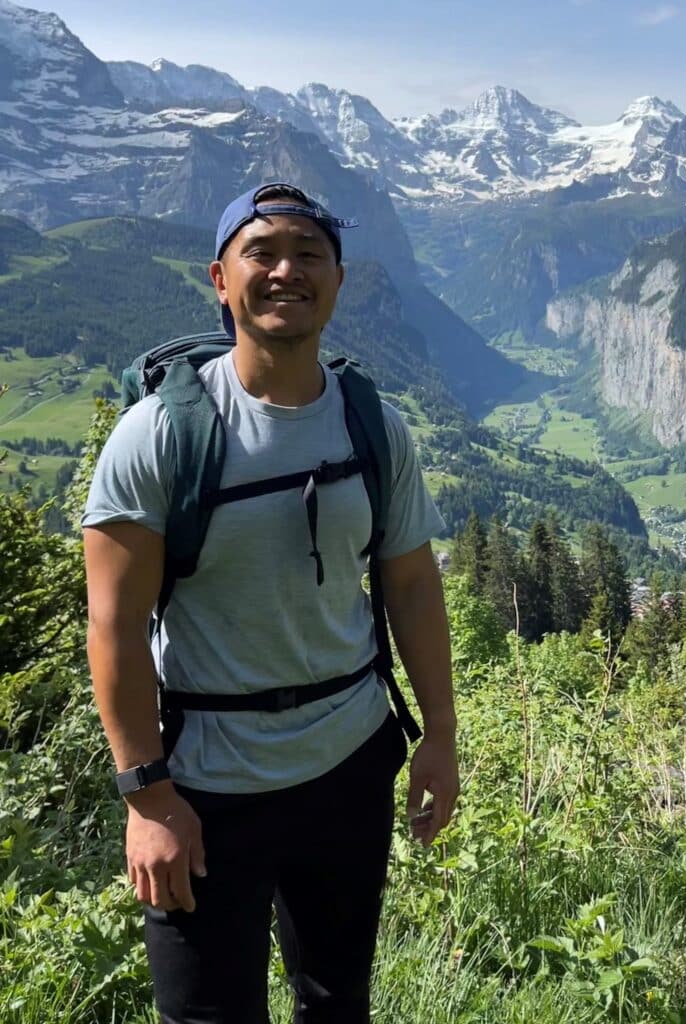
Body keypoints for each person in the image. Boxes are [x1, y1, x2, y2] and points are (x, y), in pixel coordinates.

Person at [82, 181, 459, 1023]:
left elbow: (410, 583)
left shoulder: (374, 425)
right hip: (204, 787)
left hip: (351, 764)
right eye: (263, 253)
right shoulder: (159, 434)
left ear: (339, 279)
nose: (286, 270)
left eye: (309, 254)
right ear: (220, 279)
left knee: (337, 1002)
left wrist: (440, 734)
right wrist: (147, 798)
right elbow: (110, 626)